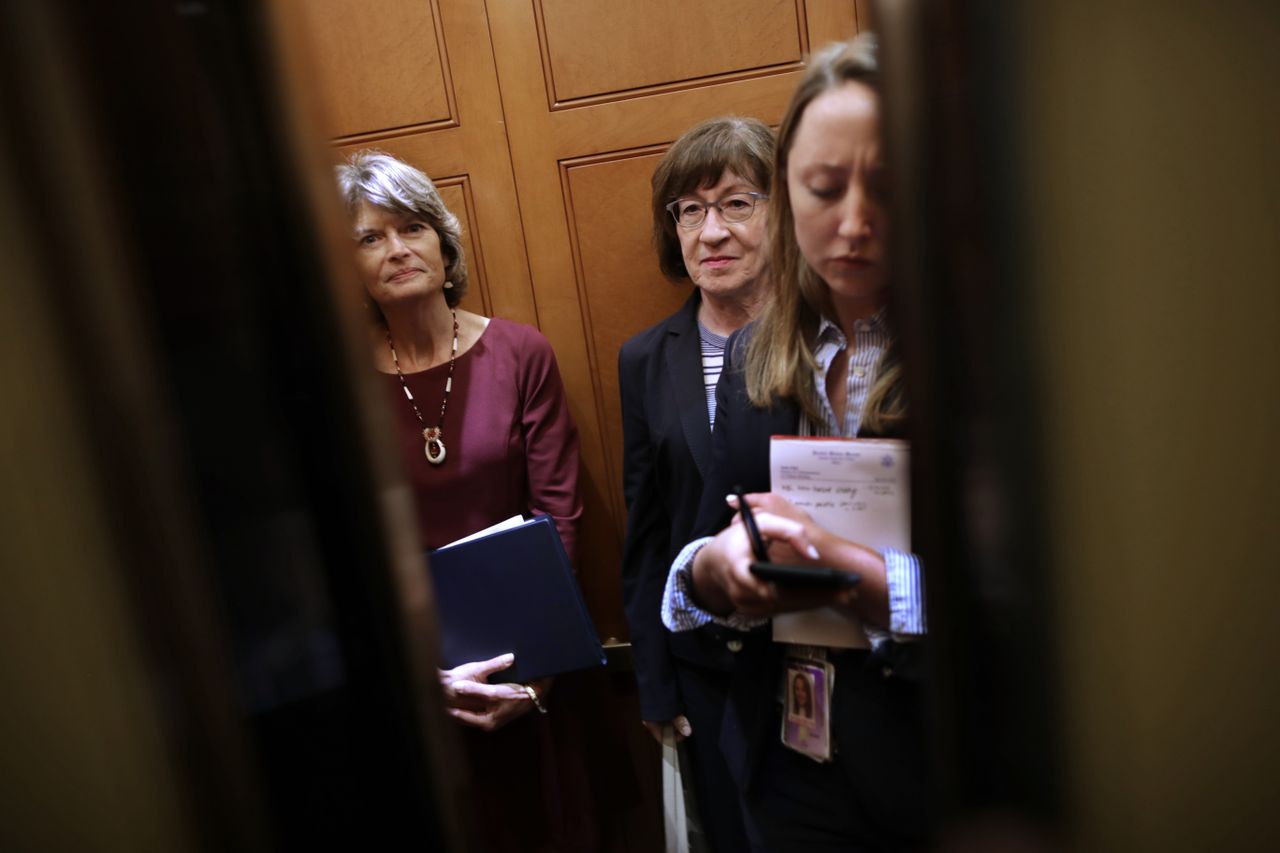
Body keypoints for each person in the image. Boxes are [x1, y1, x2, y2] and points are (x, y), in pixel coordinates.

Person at [662, 37, 933, 851]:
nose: (853, 222)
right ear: (785, 193)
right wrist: (714, 571)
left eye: (885, 187)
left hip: (941, 757)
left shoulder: (984, 357)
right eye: (822, 187)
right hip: (789, 756)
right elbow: (704, 545)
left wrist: (864, 583)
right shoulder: (755, 351)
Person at [336, 150, 594, 851]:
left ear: (443, 245)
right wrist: (424, 680)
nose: (397, 248)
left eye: (412, 226)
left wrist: (533, 679)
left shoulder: (520, 352)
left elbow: (560, 517)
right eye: (369, 236)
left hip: (528, 663)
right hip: (413, 684)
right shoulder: (341, 387)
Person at [618, 116, 774, 853]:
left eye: (738, 203)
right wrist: (654, 678)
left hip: (817, 656)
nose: (711, 231)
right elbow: (645, 526)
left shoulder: (828, 341)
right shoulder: (645, 358)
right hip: (702, 668)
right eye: (690, 209)